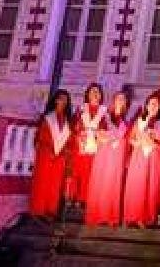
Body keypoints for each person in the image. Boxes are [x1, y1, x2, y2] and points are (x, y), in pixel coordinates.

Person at [85, 90, 131, 226]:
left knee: (113, 183)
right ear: (114, 100)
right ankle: (97, 215)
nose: (121, 101)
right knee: (101, 182)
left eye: (123, 99)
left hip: (117, 155)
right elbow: (98, 133)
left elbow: (127, 138)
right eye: (119, 98)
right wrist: (107, 136)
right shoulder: (105, 117)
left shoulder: (126, 120)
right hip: (104, 154)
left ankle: (111, 216)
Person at [122, 95, 160, 227]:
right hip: (139, 155)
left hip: (153, 156)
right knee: (137, 186)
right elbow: (130, 138)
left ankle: (146, 218)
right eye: (151, 103)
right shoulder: (139, 121)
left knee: (150, 186)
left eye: (156, 104)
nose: (153, 106)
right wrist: (138, 142)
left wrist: (155, 142)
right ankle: (133, 216)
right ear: (146, 106)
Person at [30, 89, 72, 218]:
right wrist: (49, 150)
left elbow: (68, 139)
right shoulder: (47, 118)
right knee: (42, 183)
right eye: (60, 98)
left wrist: (65, 152)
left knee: (55, 184)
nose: (63, 101)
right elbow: (41, 137)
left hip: (60, 156)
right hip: (46, 155)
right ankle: (38, 210)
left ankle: (51, 210)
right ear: (55, 100)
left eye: (65, 99)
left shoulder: (67, 120)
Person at [72, 83, 108, 208]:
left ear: (101, 95)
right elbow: (75, 124)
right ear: (87, 94)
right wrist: (79, 133)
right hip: (82, 142)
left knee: (91, 172)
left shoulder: (104, 111)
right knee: (78, 171)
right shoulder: (81, 108)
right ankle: (74, 197)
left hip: (95, 144)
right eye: (92, 91)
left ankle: (85, 198)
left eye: (97, 91)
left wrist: (100, 134)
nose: (95, 94)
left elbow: (105, 127)